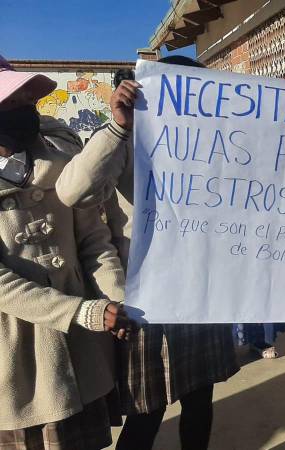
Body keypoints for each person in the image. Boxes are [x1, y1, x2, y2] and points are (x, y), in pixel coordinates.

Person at [55, 55, 239, 450]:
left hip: (203, 293)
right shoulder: (129, 137)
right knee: (146, 411)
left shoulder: (218, 140)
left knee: (200, 401)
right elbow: (73, 191)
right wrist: (120, 125)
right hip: (148, 300)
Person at [0, 54, 128, 450]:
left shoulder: (63, 164)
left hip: (81, 349)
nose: (23, 110)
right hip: (17, 360)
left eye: (26, 101)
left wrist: (119, 301)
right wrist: (80, 312)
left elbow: (93, 240)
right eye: (10, 103)